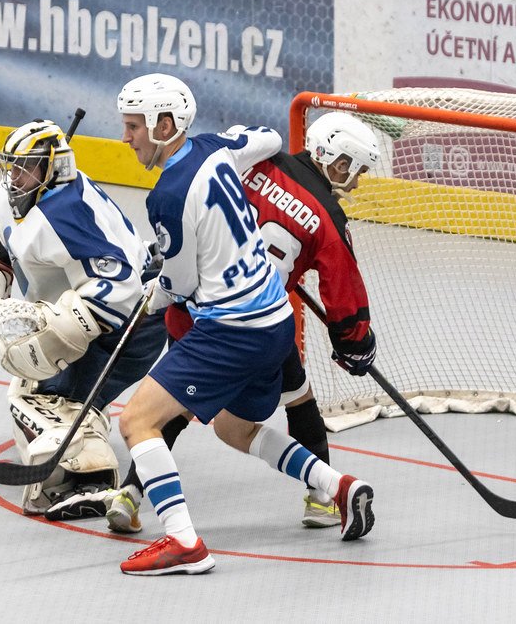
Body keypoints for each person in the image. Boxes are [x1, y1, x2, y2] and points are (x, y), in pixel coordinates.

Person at [112, 73, 375, 576]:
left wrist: (149, 294)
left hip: (226, 330)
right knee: (235, 426)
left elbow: (181, 285)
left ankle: (182, 542)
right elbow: (271, 138)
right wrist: (355, 340)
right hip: (276, 321)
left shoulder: (167, 194)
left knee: (137, 420)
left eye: (133, 126)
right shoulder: (220, 148)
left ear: (164, 125)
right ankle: (334, 486)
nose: (126, 137)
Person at [0, 119, 167, 521]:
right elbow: (18, 242)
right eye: (12, 166)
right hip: (94, 312)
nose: (15, 177)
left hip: (132, 324)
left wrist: (58, 331)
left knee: (51, 399)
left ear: (54, 168)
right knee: (33, 388)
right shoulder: (11, 196)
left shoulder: (66, 213)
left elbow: (121, 287)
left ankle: (92, 482)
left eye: (26, 167)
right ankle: (80, 439)